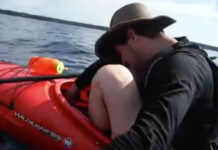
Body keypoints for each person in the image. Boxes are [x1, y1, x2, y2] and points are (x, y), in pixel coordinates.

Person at [68, 3, 217, 150]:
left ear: (132, 36)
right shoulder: (161, 53)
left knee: (109, 74)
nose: (121, 61)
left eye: (119, 53)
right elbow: (108, 61)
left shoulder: (183, 67)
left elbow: (152, 137)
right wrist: (78, 85)